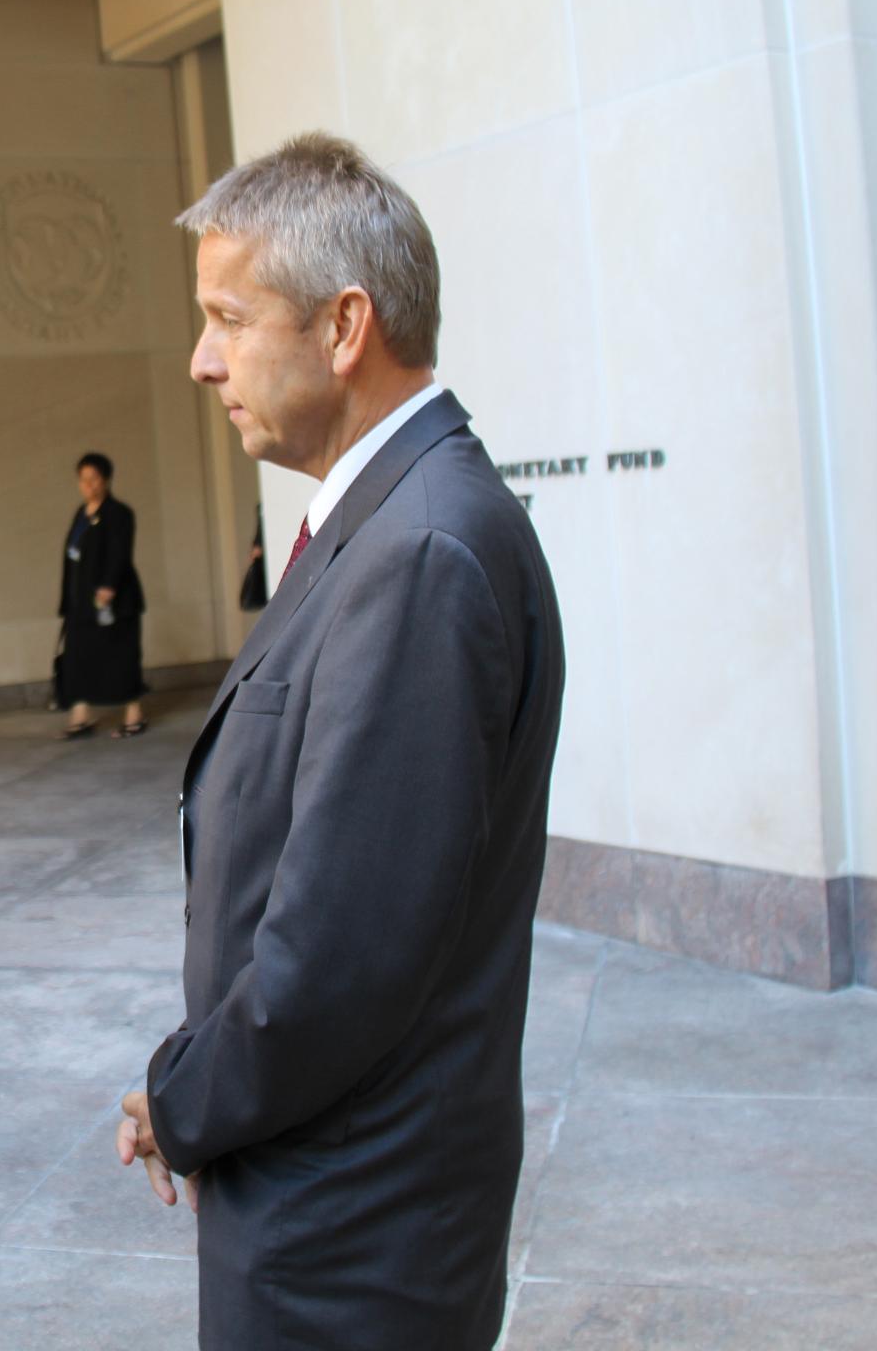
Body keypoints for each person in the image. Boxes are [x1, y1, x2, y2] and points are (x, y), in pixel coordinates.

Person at [115, 133, 565, 1350]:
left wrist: (179, 1100)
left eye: (228, 316)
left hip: (354, 1226)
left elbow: (341, 957)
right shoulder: (383, 523)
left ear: (343, 327)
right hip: (328, 1186)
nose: (201, 361)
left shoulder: (421, 550)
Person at [57, 452, 148, 738]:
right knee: (78, 657)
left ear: (106, 479)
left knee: (120, 655)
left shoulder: (119, 513)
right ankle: (81, 715)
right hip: (80, 602)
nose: (88, 485)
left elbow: (120, 554)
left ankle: (134, 714)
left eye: (94, 479)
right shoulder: (81, 514)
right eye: (83, 480)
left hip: (114, 602)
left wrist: (108, 588)